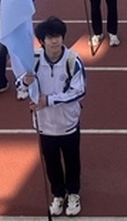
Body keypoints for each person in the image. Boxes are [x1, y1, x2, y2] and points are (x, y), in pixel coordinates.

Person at [19, 16, 85, 217]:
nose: (55, 41)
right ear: (42, 40)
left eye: (58, 36)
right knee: (51, 162)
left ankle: (73, 193)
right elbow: (20, 85)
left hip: (68, 123)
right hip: (44, 124)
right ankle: (57, 194)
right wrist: (25, 82)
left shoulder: (73, 61)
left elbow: (79, 92)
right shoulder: (33, 60)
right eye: (50, 37)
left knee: (72, 160)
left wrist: (48, 100)